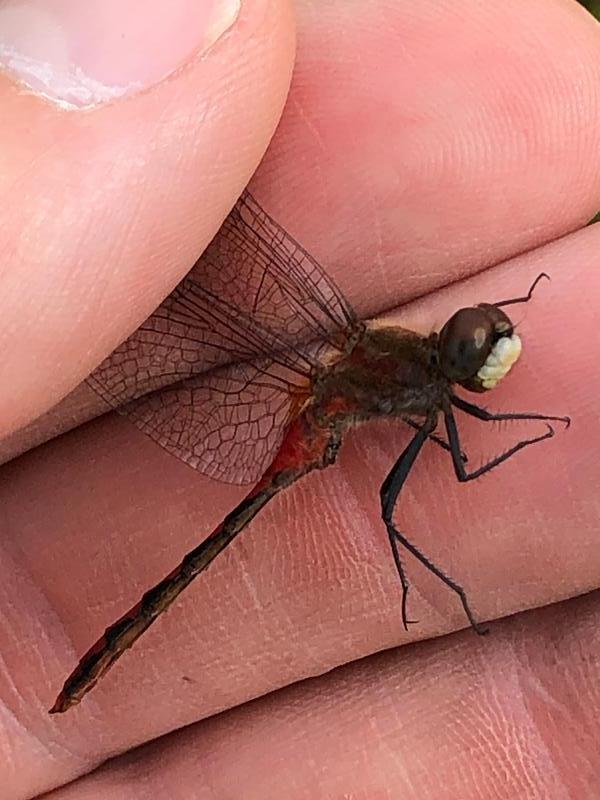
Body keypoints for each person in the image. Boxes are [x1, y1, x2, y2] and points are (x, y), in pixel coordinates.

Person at [1, 1, 599, 797]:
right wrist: (526, 434)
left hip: (321, 402)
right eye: (479, 339)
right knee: (390, 510)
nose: (487, 339)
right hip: (314, 417)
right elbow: (462, 470)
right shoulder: (430, 388)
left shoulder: (404, 360)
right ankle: (435, 592)